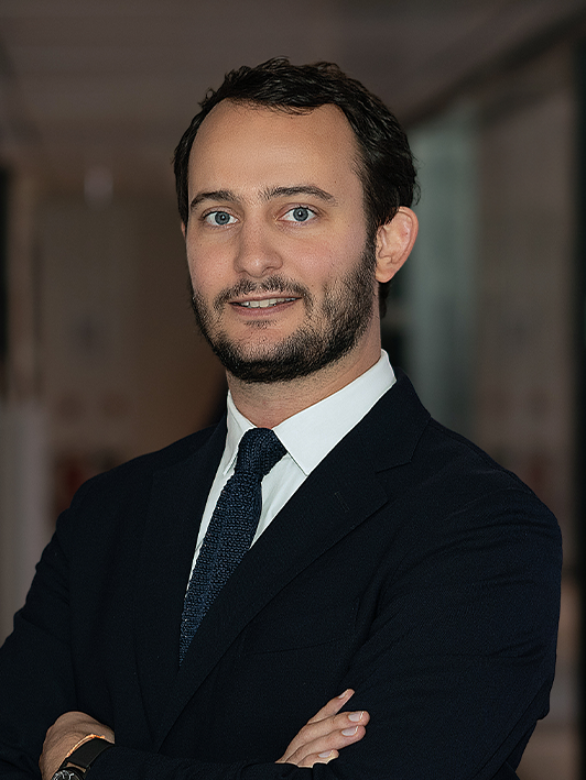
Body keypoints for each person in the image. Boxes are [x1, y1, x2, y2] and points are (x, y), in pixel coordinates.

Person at [0, 58, 561, 780]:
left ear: (388, 242)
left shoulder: (481, 529)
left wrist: (83, 764)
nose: (252, 258)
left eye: (298, 212)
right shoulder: (107, 516)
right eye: (219, 216)